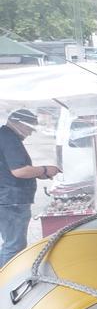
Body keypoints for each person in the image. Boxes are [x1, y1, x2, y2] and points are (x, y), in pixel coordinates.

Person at [0, 110, 60, 266]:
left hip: (7, 198)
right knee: (14, 246)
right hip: (11, 200)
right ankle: (7, 283)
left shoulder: (5, 135)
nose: (31, 132)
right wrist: (44, 170)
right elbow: (19, 171)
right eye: (30, 128)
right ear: (19, 123)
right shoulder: (9, 139)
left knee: (10, 243)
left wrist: (39, 173)